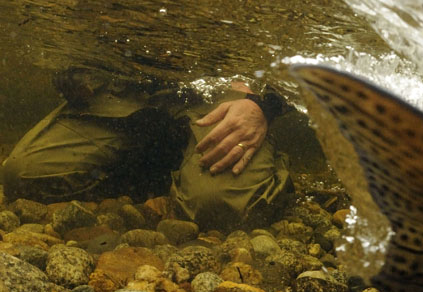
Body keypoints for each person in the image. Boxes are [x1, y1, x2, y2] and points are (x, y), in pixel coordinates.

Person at [2, 68, 293, 230]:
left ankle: (269, 167)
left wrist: (264, 106)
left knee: (219, 210)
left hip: (223, 89)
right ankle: (157, 171)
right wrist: (70, 73)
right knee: (22, 175)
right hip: (127, 90)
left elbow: (314, 57)